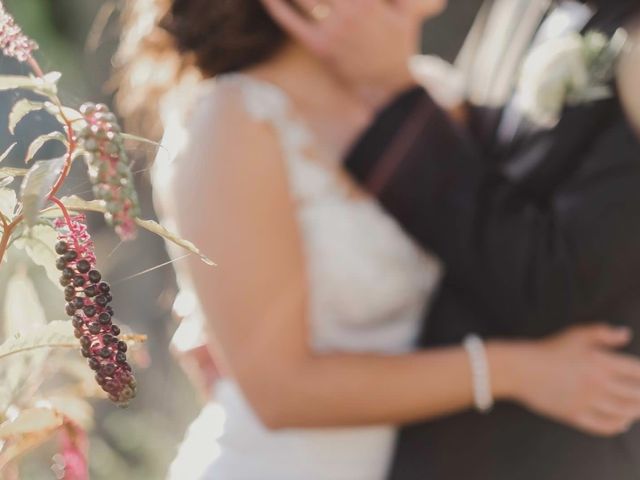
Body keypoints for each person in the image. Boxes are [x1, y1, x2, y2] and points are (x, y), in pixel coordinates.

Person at [115, 1, 640, 479]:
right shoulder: (235, 117)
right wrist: (516, 371)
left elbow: (501, 249)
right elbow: (278, 393)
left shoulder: (435, 95)